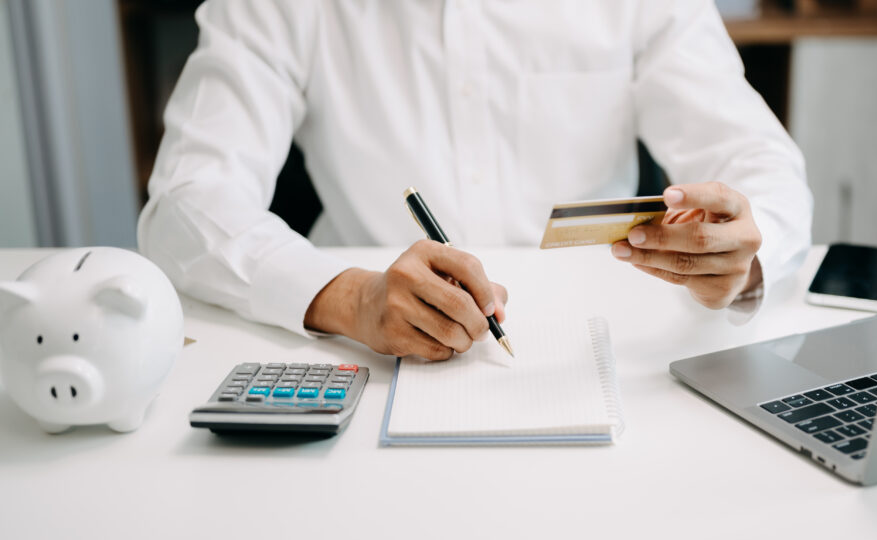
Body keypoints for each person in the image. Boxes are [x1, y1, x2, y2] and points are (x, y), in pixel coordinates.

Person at [138, 0, 812, 361]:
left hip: (598, 355)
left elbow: (764, 170)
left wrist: (744, 257)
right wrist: (348, 299)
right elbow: (186, 200)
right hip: (369, 358)